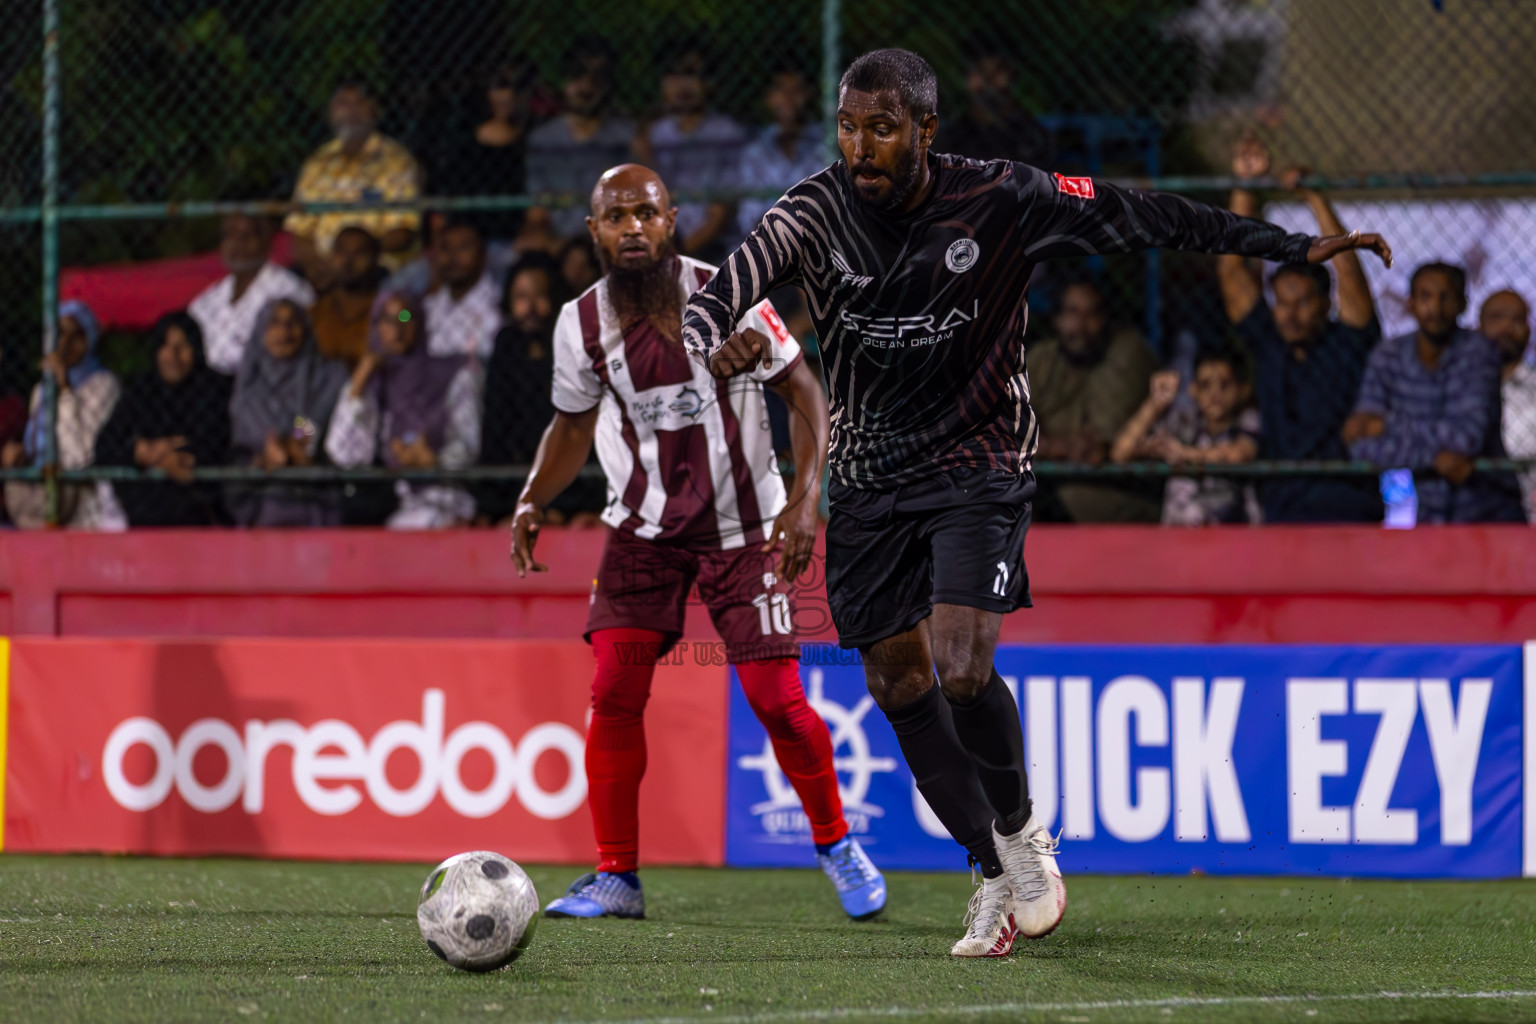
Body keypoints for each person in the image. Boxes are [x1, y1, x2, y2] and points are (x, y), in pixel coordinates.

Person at [683, 48, 1389, 957]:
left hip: (979, 456)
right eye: (850, 127)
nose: (861, 145)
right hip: (867, 474)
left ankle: (1020, 835)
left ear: (927, 131)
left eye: (883, 127)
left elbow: (1146, 214)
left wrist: (1286, 245)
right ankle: (989, 870)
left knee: (964, 665)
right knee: (898, 681)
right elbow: (732, 280)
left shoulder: (1004, 196)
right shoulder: (815, 210)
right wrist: (710, 341)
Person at [511, 165, 885, 923]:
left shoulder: (729, 291)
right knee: (614, 692)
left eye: (645, 212)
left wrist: (806, 503)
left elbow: (806, 392)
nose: (633, 228)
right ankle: (616, 876)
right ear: (594, 232)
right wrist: (532, 496)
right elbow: (572, 426)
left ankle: (837, 843)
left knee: (776, 701)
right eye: (615, 216)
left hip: (745, 531)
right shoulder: (577, 324)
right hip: (641, 530)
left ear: (672, 219)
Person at [1220, 137, 1383, 523]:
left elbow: (1348, 270)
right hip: (1283, 507)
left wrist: (1316, 198)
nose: (1289, 314)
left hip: (1348, 505)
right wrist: (1245, 186)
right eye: (1282, 303)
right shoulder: (1269, 343)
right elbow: (1231, 272)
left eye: (1303, 303)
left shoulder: (1348, 343)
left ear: (1326, 304)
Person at [1346, 263, 1525, 524]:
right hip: (1430, 517)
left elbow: (1465, 439)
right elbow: (1360, 444)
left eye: (1446, 297)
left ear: (1463, 305)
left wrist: (1388, 423)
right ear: (1410, 304)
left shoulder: (1480, 353)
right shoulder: (1388, 357)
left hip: (1492, 511)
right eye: (1425, 296)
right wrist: (1432, 458)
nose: (1436, 308)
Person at [325, 292, 481, 529]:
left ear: (420, 322)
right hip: (388, 504)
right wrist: (360, 379)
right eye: (386, 320)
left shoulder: (453, 374)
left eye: (406, 316)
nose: (397, 328)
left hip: (444, 501)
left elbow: (468, 442)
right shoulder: (371, 383)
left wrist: (433, 460)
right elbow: (342, 453)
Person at [476, 252, 603, 525]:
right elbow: (496, 431)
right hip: (516, 484)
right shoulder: (507, 346)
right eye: (521, 297)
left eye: (540, 296)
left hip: (575, 484)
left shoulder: (573, 346)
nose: (531, 307)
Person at [1026, 278, 1161, 522]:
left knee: (1070, 499)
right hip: (1049, 481)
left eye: (1092, 313)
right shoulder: (1041, 360)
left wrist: (1083, 448)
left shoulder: (1127, 354)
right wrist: (1059, 447)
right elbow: (1009, 432)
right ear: (1057, 319)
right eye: (1072, 312)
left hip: (1116, 487)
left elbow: (1101, 448)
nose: (1081, 325)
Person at [95, 312, 232, 526]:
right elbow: (105, 445)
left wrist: (302, 442)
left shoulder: (222, 391)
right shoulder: (143, 393)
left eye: (183, 345)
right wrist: (144, 452)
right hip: (149, 515)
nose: (173, 354)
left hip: (281, 495)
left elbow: (301, 421)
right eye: (165, 345)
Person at [285, 79, 423, 283]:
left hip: (379, 269)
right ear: (331, 112)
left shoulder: (396, 161)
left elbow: (403, 232)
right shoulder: (317, 163)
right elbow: (299, 231)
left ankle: (402, 316)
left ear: (375, 110)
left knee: (401, 314)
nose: (350, 110)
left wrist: (354, 258)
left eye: (359, 102)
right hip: (324, 269)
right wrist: (318, 265)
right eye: (342, 103)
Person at [226, 299, 348, 527]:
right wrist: (266, 452)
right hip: (262, 499)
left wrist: (297, 442)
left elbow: (315, 419)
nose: (284, 332)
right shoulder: (247, 390)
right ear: (261, 332)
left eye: (293, 323)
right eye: (274, 323)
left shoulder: (329, 377)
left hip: (318, 493)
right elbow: (247, 443)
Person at [4, 300, 122, 529]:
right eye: (59, 334)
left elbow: (81, 456)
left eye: (76, 336)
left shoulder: (103, 384)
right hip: (37, 495)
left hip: (80, 503)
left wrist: (65, 390)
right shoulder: (40, 391)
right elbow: (35, 447)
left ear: (90, 340)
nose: (65, 344)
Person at [1112, 350, 1262, 526]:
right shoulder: (1183, 423)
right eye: (1205, 385)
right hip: (1179, 538)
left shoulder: (1248, 420)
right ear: (1193, 390)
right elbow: (1120, 453)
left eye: (1225, 385)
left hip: (1232, 540)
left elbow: (1238, 455)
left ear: (1243, 390)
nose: (1215, 394)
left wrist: (1183, 455)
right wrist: (1154, 405)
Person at [526, 37, 639, 238]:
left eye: (597, 77)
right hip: (559, 241)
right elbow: (538, 212)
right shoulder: (543, 140)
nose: (586, 85)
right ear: (563, 80)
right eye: (577, 74)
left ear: (609, 84)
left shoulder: (627, 137)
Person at [640, 47, 745, 261]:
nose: (683, 85)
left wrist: (675, 256)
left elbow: (720, 214)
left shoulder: (726, 132)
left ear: (709, 83)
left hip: (715, 247)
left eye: (692, 74)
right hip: (662, 241)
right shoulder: (655, 134)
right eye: (674, 75)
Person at [188, 214, 315, 375]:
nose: (238, 244)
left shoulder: (290, 290)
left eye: (247, 235)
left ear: (267, 242)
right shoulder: (206, 301)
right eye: (231, 235)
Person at [432, 62, 535, 243]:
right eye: (501, 86)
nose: (509, 94)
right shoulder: (462, 146)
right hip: (467, 238)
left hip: (517, 238)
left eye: (518, 86)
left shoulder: (534, 141)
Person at [737, 70, 826, 238]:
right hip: (769, 239)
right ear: (768, 98)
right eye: (781, 90)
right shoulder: (755, 151)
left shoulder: (825, 141)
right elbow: (748, 216)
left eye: (796, 90)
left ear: (809, 95)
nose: (788, 98)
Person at [935, 43, 1053, 167]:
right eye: (980, 71)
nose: (988, 81)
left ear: (1012, 75)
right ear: (967, 79)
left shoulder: (1033, 138)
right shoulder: (949, 140)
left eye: (997, 71)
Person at [1482, 289, 1536, 520]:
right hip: (1468, 518)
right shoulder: (1455, 387)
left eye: (1517, 320)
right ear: (1478, 326)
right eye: (1497, 317)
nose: (1506, 327)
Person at [422, 217, 502, 360]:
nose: (453, 256)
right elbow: (403, 317)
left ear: (483, 255)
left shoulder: (500, 306)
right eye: (445, 247)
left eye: (463, 247)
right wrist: (405, 315)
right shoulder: (427, 305)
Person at [309, 225, 385, 369]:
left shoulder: (389, 308)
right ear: (332, 256)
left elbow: (407, 317)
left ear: (375, 259)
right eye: (341, 252)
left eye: (360, 253)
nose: (348, 261)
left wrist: (404, 315)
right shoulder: (315, 312)